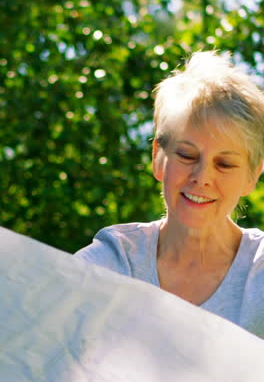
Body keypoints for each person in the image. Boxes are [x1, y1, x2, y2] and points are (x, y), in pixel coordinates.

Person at [75, 50, 264, 339]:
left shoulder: (259, 272)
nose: (202, 177)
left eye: (224, 164)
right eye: (187, 155)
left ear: (253, 175)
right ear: (157, 157)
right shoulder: (113, 262)